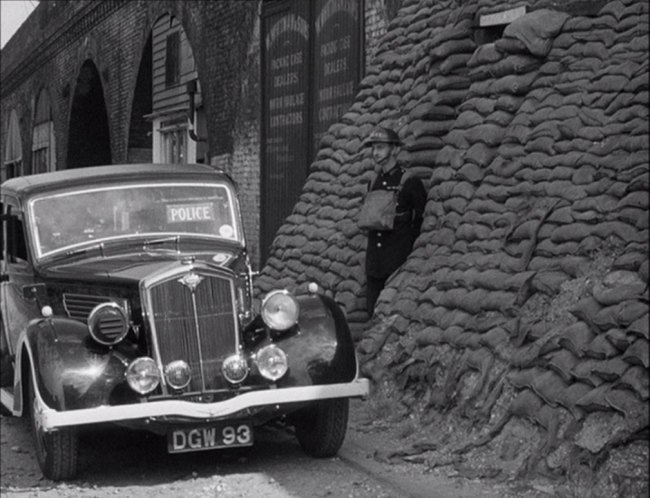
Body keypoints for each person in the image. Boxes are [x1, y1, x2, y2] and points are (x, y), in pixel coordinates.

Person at [363, 126, 426, 315]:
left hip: (397, 261)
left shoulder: (409, 181)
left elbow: (421, 218)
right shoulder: (373, 180)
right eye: (374, 148)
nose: (376, 152)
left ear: (395, 150)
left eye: (381, 147)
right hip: (375, 263)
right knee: (371, 313)